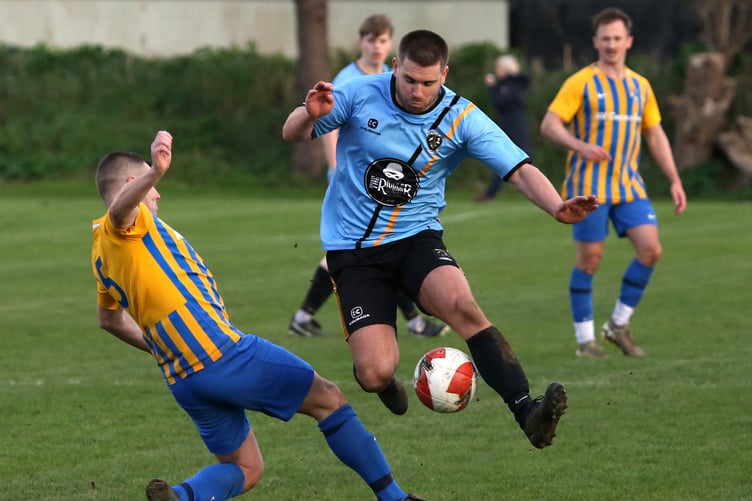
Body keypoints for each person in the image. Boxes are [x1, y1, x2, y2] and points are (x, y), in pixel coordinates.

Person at [282, 30, 599, 449]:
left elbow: (519, 169)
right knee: (374, 371)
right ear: (395, 66)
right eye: (409, 79)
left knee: (464, 307)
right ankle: (385, 384)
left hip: (416, 238)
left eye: (428, 83)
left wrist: (557, 207)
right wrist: (309, 113)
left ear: (444, 75)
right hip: (353, 250)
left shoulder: (461, 116)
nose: (417, 91)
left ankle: (529, 412)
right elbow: (292, 133)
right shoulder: (358, 92)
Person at [91, 130, 427, 501]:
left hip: (183, 377)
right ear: (131, 183)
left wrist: (159, 348)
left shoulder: (100, 257)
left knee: (246, 468)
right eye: (149, 186)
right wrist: (155, 170)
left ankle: (181, 498)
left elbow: (109, 321)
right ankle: (395, 497)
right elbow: (121, 211)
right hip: (220, 353)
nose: (158, 194)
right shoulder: (124, 224)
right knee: (329, 399)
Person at [289, 14, 449, 340]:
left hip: (385, 183)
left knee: (390, 245)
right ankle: (306, 315)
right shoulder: (349, 78)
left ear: (390, 45)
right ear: (361, 42)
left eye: (382, 40)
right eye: (371, 40)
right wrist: (335, 166)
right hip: (354, 183)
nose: (376, 47)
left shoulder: (395, 78)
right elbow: (328, 126)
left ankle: (306, 316)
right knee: (375, 249)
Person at [540, 7, 687, 359]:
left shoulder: (640, 86)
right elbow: (549, 124)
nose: (611, 45)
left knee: (651, 249)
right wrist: (579, 145)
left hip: (628, 186)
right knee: (590, 259)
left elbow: (655, 134)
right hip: (588, 188)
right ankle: (585, 342)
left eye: (617, 38)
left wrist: (674, 179)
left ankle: (618, 325)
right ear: (595, 42)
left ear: (629, 41)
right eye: (605, 38)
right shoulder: (581, 82)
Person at [475, 54, 533, 202]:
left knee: (524, 159)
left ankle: (539, 191)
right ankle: (490, 194)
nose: (496, 70)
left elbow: (498, 102)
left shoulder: (512, 84)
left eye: (499, 67)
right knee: (503, 159)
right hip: (508, 124)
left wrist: (492, 87)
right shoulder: (506, 85)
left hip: (516, 126)